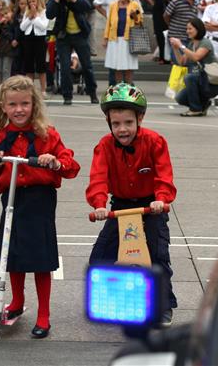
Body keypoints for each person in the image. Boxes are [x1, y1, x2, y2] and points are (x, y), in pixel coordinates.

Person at [0, 75, 80, 339]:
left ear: (33, 105)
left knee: (40, 258)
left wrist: (54, 161)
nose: (19, 109)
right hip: (13, 199)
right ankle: (16, 302)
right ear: (3, 107)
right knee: (12, 254)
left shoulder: (47, 134)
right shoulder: (1, 137)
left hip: (40, 199)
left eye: (24, 103)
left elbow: (70, 165)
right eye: (13, 104)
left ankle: (44, 314)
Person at [87, 82, 177, 326]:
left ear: (140, 118)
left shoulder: (155, 141)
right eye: (116, 124)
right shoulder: (104, 146)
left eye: (128, 122)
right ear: (108, 123)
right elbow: (98, 178)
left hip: (151, 205)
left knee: (157, 255)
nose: (122, 129)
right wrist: (99, 204)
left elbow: (164, 176)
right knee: (101, 257)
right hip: (121, 207)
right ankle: (114, 300)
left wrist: (161, 198)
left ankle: (163, 304)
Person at [45, 0, 98, 105]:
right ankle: (67, 95)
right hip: (64, 36)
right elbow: (49, 14)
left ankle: (92, 93)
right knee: (64, 67)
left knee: (87, 66)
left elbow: (86, 7)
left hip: (79, 35)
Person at [95, 0, 143, 85]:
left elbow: (139, 21)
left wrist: (134, 15)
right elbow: (109, 24)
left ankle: (128, 88)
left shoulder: (134, 5)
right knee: (116, 66)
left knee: (128, 66)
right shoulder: (113, 6)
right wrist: (105, 38)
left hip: (128, 39)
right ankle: (117, 88)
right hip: (114, 40)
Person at [170, 18, 218, 116]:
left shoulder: (205, 43)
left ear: (198, 29)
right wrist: (176, 48)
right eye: (187, 29)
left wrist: (181, 46)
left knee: (189, 77)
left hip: (210, 83)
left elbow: (196, 57)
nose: (187, 31)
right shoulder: (191, 44)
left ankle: (195, 109)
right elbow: (182, 62)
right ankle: (203, 104)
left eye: (190, 29)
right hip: (198, 82)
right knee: (180, 98)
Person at [140, 0, 175, 64]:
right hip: (158, 12)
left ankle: (171, 57)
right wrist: (151, 2)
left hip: (169, 12)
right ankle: (162, 57)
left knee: (170, 34)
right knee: (159, 34)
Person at [20, 0, 49, 97]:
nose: (32, 4)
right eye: (30, 2)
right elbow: (22, 27)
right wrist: (29, 17)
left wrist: (35, 16)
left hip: (39, 40)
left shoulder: (44, 12)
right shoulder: (26, 13)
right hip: (28, 40)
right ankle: (30, 90)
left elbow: (43, 26)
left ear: (38, 1)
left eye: (34, 1)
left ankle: (43, 90)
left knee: (41, 65)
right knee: (29, 65)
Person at [163, 0, 199, 65]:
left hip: (190, 39)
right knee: (178, 64)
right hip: (177, 38)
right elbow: (166, 15)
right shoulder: (176, 2)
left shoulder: (195, 3)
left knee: (187, 64)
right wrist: (171, 25)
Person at [0, 1, 14, 90]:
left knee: (6, 69)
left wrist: (5, 25)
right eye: (2, 14)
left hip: (8, 49)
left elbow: (10, 36)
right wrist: (0, 24)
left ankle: (6, 86)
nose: (5, 16)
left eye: (6, 13)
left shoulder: (11, 24)